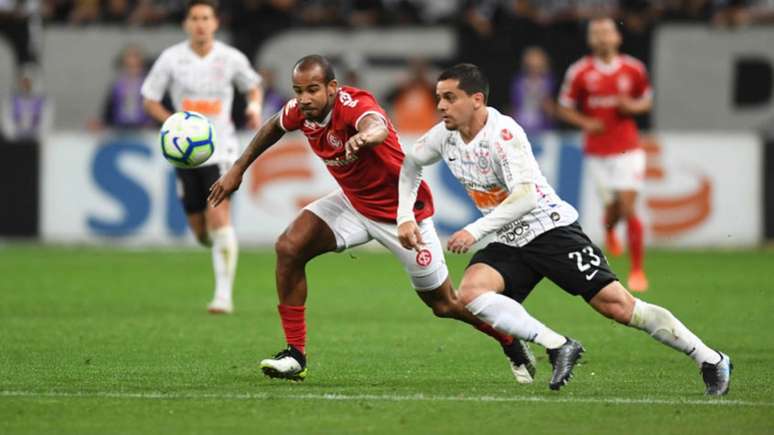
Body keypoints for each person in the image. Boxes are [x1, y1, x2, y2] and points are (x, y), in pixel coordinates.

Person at [398, 63, 732, 395]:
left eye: (450, 97)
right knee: (471, 294)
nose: (441, 106)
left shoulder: (504, 134)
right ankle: (558, 346)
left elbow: (526, 197)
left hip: (550, 230)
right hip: (511, 239)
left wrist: (475, 230)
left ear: (477, 100)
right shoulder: (444, 136)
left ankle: (710, 359)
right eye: (439, 97)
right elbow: (411, 164)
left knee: (617, 306)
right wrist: (404, 217)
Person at [208, 54, 538, 384]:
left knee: (444, 303)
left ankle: (509, 339)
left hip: (403, 216)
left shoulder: (354, 104)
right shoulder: (299, 111)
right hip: (353, 204)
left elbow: (376, 125)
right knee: (289, 247)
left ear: (332, 88)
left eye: (312, 90)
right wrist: (237, 170)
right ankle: (295, 354)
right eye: (298, 90)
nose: (304, 99)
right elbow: (272, 127)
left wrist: (364, 137)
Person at [141, 0, 263, 314]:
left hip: (222, 150)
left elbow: (253, 86)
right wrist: (174, 124)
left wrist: (253, 107)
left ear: (215, 23)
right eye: (194, 18)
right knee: (200, 231)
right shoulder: (172, 58)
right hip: (186, 156)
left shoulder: (230, 58)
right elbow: (149, 99)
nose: (200, 24)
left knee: (219, 217)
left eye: (205, 18)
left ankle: (223, 296)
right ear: (186, 23)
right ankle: (215, 244)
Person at [557, 17, 651, 292]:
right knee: (613, 207)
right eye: (596, 33)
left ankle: (637, 270)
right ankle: (610, 230)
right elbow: (564, 107)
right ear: (590, 40)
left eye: (606, 32)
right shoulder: (580, 72)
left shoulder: (633, 69)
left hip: (628, 148)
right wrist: (586, 123)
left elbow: (646, 100)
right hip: (597, 151)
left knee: (628, 206)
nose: (601, 37)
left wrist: (632, 106)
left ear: (617, 37)